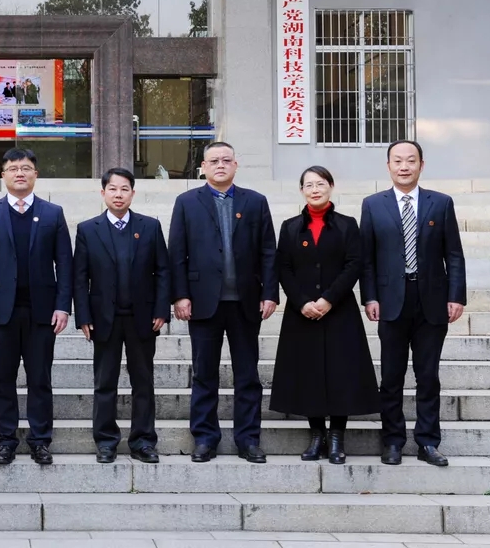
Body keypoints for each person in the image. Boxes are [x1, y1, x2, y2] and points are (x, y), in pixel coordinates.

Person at [169, 141, 278, 464]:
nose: (220, 165)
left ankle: (249, 440)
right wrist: (180, 295)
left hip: (245, 301)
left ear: (235, 165)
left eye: (226, 160)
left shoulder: (255, 201)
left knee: (248, 376)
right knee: (204, 374)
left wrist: (270, 293)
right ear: (203, 166)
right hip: (203, 301)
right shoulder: (187, 202)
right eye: (214, 161)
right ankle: (205, 438)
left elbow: (268, 251)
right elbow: (177, 252)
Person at [360, 140, 466, 467]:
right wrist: (370, 296)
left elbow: (454, 254)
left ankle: (428, 442)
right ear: (388, 166)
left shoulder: (441, 203)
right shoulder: (373, 205)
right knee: (391, 377)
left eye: (410, 160)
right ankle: (392, 441)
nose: (404, 166)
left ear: (421, 164)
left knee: (428, 376)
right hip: (391, 302)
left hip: (431, 300)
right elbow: (367, 259)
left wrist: (456, 296)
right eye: (397, 161)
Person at [269, 166, 379, 464]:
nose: (315, 189)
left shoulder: (347, 225)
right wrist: (302, 301)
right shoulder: (290, 227)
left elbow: (354, 264)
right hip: (301, 313)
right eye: (309, 185)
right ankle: (317, 434)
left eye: (320, 184)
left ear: (330, 186)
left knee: (341, 372)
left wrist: (328, 299)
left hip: (339, 310)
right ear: (301, 190)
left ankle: (337, 437)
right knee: (309, 373)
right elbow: (284, 268)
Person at [0, 148, 73, 465]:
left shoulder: (53, 213)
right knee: (2, 379)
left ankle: (40, 440)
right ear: (3, 175)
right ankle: (6, 440)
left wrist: (63, 306)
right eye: (13, 168)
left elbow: (65, 264)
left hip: (42, 312)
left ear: (35, 174)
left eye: (26, 168)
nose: (19, 173)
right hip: (0, 313)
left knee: (40, 379)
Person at [73, 168, 170, 464]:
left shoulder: (150, 226)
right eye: (113, 189)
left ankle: (143, 441)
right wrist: (83, 316)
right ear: (103, 193)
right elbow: (80, 277)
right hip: (104, 318)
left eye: (124, 189)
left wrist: (161, 310)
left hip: (143, 317)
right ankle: (105, 441)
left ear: (133, 193)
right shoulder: (88, 229)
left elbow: (163, 271)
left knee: (143, 382)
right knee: (105, 382)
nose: (118, 194)